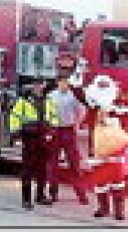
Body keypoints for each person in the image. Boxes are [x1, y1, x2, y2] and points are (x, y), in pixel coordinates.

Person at [9, 79, 60, 210]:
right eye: (36, 86)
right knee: (27, 170)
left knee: (42, 169)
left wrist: (52, 131)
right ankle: (26, 199)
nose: (39, 88)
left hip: (44, 138)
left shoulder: (48, 101)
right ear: (32, 87)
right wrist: (16, 134)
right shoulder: (23, 101)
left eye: (41, 85)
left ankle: (40, 196)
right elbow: (14, 117)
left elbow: (54, 117)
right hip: (29, 138)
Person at [47, 75, 89, 205]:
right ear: (57, 83)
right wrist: (49, 128)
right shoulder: (51, 96)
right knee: (53, 164)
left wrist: (76, 125)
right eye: (61, 82)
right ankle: (53, 193)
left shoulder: (73, 96)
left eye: (66, 83)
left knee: (75, 164)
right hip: (55, 131)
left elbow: (81, 111)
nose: (64, 85)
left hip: (68, 131)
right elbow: (46, 113)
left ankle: (81, 194)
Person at [89, 109, 128, 221]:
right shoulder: (96, 129)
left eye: (103, 114)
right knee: (101, 185)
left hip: (114, 161)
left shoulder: (115, 127)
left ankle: (119, 210)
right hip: (101, 162)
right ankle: (103, 208)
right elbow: (93, 145)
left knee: (118, 186)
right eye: (99, 115)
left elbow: (122, 142)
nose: (101, 117)